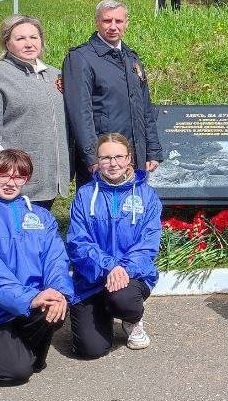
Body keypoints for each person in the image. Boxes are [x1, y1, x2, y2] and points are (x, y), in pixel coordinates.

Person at [0, 149, 74, 386]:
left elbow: (56, 260)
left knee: (56, 309)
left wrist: (59, 291)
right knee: (14, 373)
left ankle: (11, 352)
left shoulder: (41, 216)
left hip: (29, 305)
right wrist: (32, 297)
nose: (11, 183)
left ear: (26, 180)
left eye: (18, 176)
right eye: (3, 175)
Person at [67, 133, 163, 358]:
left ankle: (132, 319)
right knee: (90, 350)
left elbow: (148, 243)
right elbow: (77, 242)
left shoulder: (147, 195)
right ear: (97, 161)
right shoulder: (84, 195)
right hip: (92, 277)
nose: (113, 163)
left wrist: (122, 269)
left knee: (123, 299)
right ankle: (102, 315)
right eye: (106, 157)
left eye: (119, 156)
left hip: (130, 278)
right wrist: (109, 267)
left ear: (129, 158)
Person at [62, 0, 162, 187]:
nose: (113, 27)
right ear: (97, 22)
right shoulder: (80, 58)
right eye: (107, 21)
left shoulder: (131, 58)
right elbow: (80, 114)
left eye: (119, 21)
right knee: (100, 211)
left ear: (127, 23)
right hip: (104, 159)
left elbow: (146, 109)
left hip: (134, 156)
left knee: (132, 210)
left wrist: (152, 151)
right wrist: (93, 158)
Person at [0, 15, 70, 207]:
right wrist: (5, 176)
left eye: (34, 37)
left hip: (49, 179)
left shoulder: (54, 74)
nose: (29, 44)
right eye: (20, 39)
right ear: (7, 43)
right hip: (14, 183)